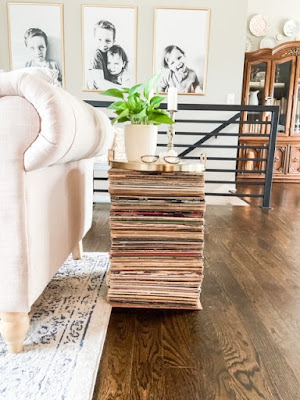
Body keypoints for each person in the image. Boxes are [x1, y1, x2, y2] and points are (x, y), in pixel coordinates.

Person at [87, 20, 115, 89]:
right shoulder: (96, 54)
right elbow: (101, 83)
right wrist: (124, 89)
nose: (103, 44)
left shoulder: (113, 54)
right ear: (94, 39)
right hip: (96, 92)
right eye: (99, 40)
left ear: (113, 42)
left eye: (108, 41)